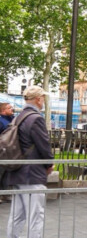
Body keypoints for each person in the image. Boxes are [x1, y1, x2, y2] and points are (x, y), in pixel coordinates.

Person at [5, 86, 53, 238]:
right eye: (43, 99)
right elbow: (44, 145)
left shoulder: (18, 118)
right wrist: (49, 164)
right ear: (39, 100)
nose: (44, 102)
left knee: (17, 215)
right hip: (32, 173)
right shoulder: (36, 119)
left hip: (18, 171)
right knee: (36, 217)